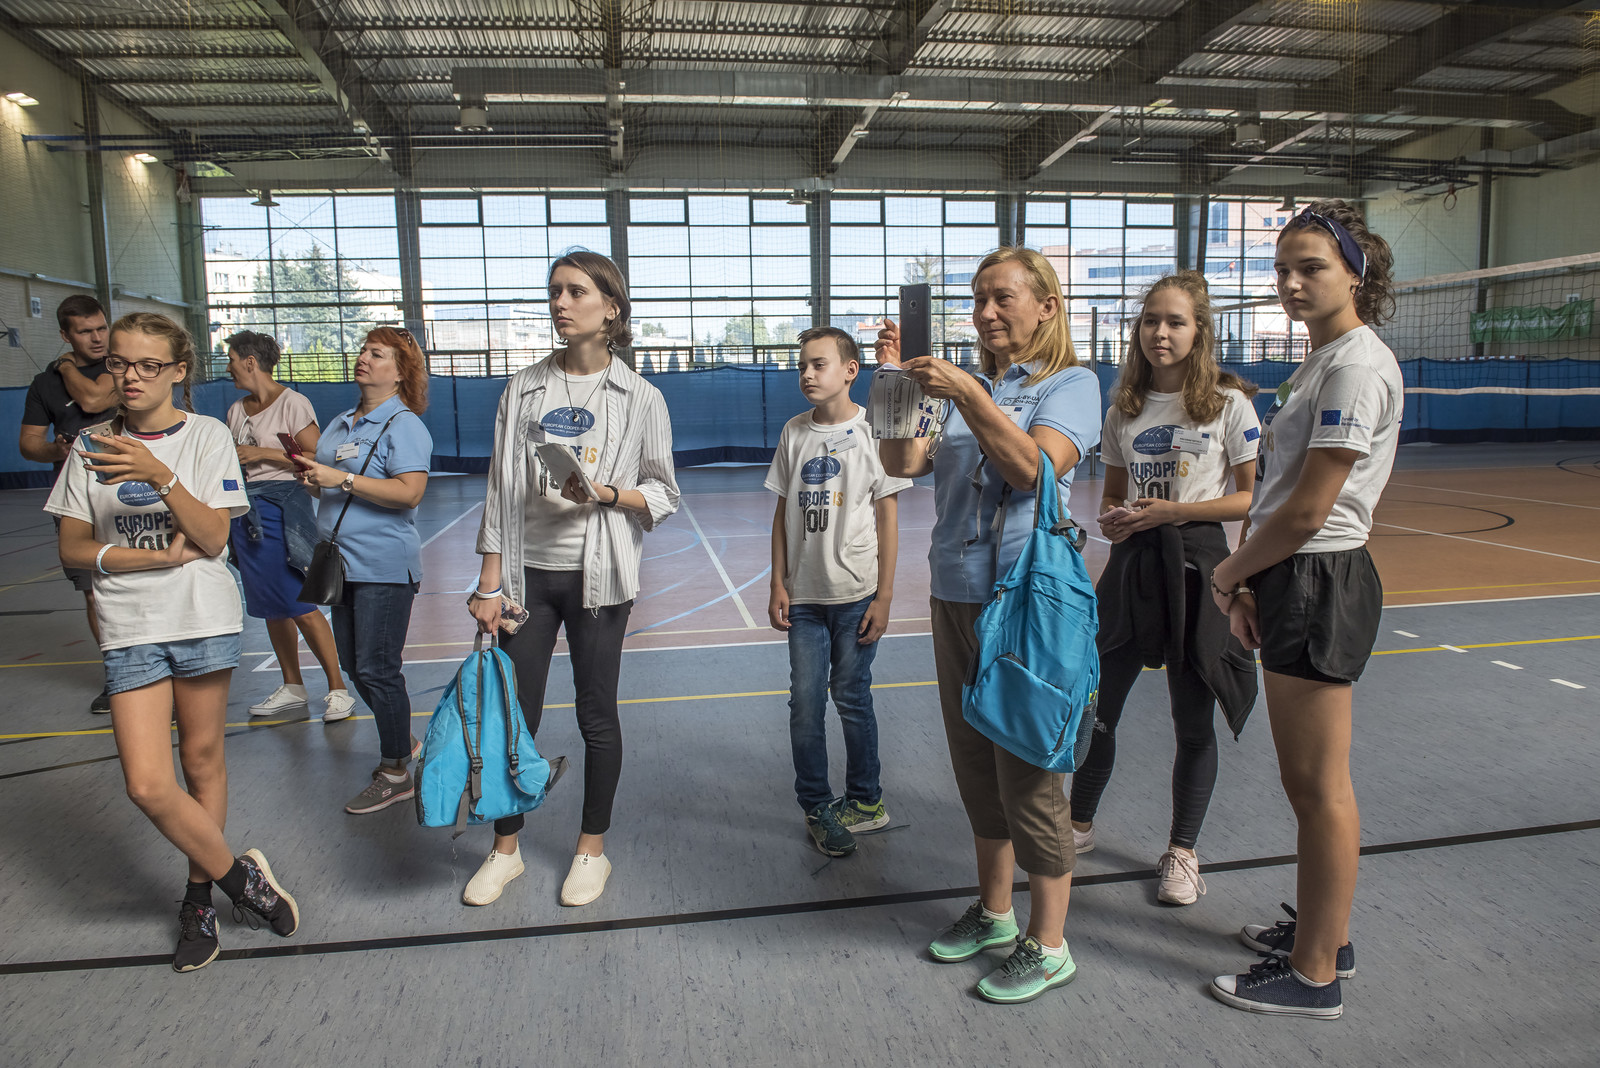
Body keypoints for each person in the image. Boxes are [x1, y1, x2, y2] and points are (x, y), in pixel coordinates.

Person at [878, 247, 1100, 1005]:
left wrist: (969, 393)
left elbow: (1035, 470)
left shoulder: (1071, 385)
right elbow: (902, 460)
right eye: (978, 299)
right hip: (955, 594)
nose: (985, 313)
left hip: (1024, 600)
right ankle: (996, 912)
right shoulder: (974, 388)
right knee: (976, 767)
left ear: (1047, 306)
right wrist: (895, 385)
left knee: (1029, 776)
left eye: (1002, 297)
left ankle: (1051, 943)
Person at [45, 312, 300, 973]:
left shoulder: (208, 435)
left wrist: (158, 473)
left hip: (200, 618)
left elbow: (213, 537)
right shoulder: (89, 444)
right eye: (120, 363)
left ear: (178, 371)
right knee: (147, 784)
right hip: (129, 625)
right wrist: (151, 559)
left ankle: (198, 900)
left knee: (202, 764)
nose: (131, 376)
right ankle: (239, 878)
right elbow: (73, 548)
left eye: (148, 365)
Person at [1207, 200, 1401, 1019]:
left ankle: (1315, 975)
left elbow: (1308, 511)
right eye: (1282, 268)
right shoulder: (1324, 361)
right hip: (1292, 575)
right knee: (1307, 781)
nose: (1290, 282)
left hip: (1317, 575)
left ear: (1356, 273)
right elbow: (1281, 494)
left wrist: (1227, 577)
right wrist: (1255, 581)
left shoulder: (1355, 367)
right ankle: (1327, 935)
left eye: (1311, 267)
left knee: (1318, 786)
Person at [463, 250, 679, 909]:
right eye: (555, 290)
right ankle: (506, 850)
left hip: (599, 579)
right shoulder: (524, 388)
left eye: (576, 291)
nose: (560, 302)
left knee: (596, 714)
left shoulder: (641, 397)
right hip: (526, 577)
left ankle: (592, 849)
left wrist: (607, 493)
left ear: (611, 308)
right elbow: (500, 489)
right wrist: (489, 583)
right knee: (514, 718)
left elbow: (663, 493)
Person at [1070, 271, 1261, 907]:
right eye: (1151, 320)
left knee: (1192, 719)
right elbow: (1112, 497)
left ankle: (1182, 851)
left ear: (1199, 331)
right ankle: (1078, 823)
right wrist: (1116, 518)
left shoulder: (1228, 404)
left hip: (1199, 567)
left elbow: (1250, 499)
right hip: (1134, 567)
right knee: (1099, 706)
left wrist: (1175, 513)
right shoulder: (1123, 408)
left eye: (1176, 321)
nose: (1160, 332)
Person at [765, 326, 911, 857]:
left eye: (818, 364)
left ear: (850, 371)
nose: (807, 373)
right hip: (804, 599)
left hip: (856, 596)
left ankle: (867, 800)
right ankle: (816, 805)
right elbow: (781, 513)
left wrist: (885, 597)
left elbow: (888, 516)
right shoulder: (793, 432)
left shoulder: (876, 432)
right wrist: (777, 581)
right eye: (802, 365)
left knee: (852, 697)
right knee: (805, 703)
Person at [292, 327, 432, 815]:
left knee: (378, 668)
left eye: (377, 354)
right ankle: (403, 740)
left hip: (382, 566)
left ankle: (395, 772)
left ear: (400, 373)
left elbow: (409, 493)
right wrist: (315, 481)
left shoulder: (404, 426)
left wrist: (343, 478)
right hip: (341, 564)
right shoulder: (340, 423)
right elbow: (330, 486)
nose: (364, 358)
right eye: (364, 350)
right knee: (354, 666)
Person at [223, 330, 353, 723]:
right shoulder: (235, 410)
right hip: (247, 507)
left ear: (250, 361)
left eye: (232, 360)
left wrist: (261, 453)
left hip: (283, 505)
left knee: (297, 601)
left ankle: (338, 688)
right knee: (270, 604)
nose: (228, 368)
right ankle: (293, 685)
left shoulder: (293, 402)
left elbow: (316, 455)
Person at [19, 295, 118, 713]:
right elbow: (29, 444)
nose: (97, 338)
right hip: (75, 499)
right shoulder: (43, 385)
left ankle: (164, 668)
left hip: (129, 494)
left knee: (145, 582)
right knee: (94, 593)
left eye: (101, 328)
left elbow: (94, 401)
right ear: (65, 334)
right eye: (85, 331)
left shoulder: (122, 365)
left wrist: (65, 366)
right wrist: (55, 451)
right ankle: (119, 675)